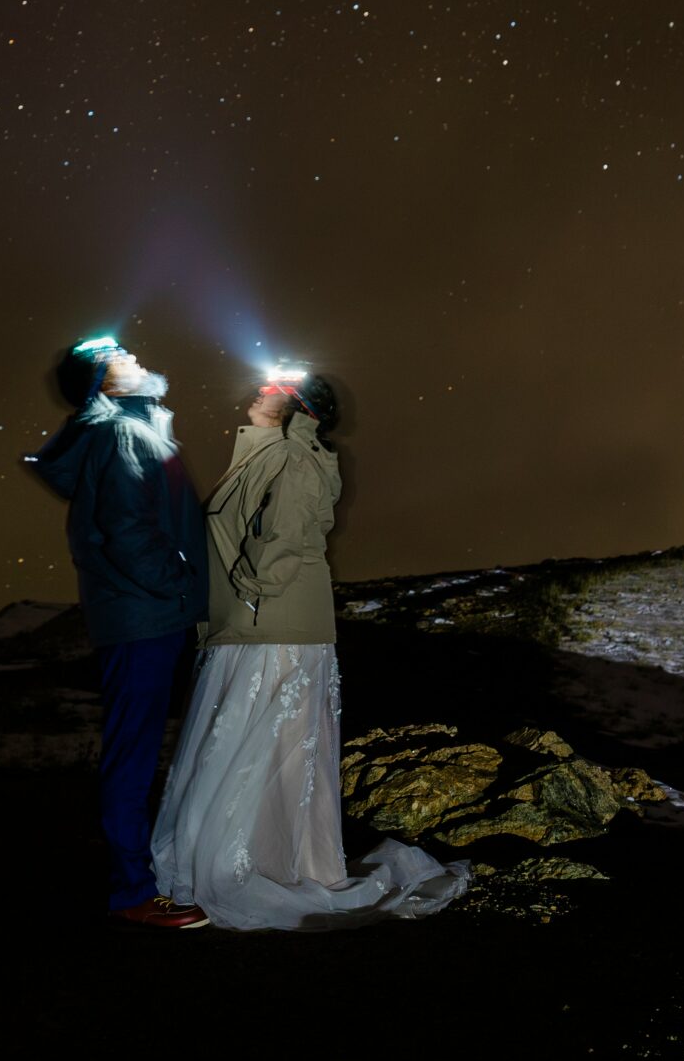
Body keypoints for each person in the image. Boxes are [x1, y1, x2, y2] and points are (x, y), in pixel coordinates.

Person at [152, 368, 469, 930]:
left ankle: (244, 869)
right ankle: (251, 860)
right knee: (256, 748)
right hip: (259, 623)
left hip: (272, 626)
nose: (259, 391)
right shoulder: (272, 452)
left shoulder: (295, 458)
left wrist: (248, 587)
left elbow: (286, 537)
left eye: (274, 388)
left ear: (298, 408)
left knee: (256, 747)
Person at [27, 336, 210, 929]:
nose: (132, 356)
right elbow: (127, 530)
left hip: (145, 615)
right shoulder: (120, 434)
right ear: (102, 382)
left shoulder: (135, 429)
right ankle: (133, 891)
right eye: (116, 357)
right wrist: (181, 585)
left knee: (139, 746)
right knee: (134, 751)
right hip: (144, 618)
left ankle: (144, 878)